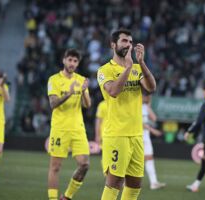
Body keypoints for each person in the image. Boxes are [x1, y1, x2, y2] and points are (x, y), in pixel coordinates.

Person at [97, 29, 156, 200]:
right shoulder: (104, 70)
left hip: (136, 134)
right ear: (113, 44)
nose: (128, 45)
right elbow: (113, 91)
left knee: (135, 183)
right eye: (124, 41)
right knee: (114, 182)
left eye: (130, 42)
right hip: (117, 134)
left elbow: (151, 88)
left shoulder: (137, 69)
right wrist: (128, 67)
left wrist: (141, 63)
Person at [47, 49, 91, 200]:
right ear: (64, 60)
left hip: (78, 129)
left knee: (84, 165)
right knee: (55, 167)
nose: (72, 63)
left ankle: (66, 197)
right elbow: (53, 103)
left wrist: (84, 92)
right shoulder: (54, 80)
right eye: (70, 60)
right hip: (60, 129)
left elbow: (87, 105)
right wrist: (69, 94)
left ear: (77, 63)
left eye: (75, 61)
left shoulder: (81, 80)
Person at [184, 84, 205, 193]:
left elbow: (199, 121)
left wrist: (189, 132)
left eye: (204, 91)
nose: (203, 93)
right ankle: (196, 184)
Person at [142, 93, 166, 190]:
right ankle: (124, 181)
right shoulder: (135, 106)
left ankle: (154, 183)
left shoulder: (144, 107)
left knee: (149, 158)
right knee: (134, 160)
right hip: (138, 136)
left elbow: (154, 118)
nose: (149, 97)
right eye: (147, 95)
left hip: (145, 136)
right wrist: (153, 130)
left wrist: (149, 103)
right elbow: (140, 123)